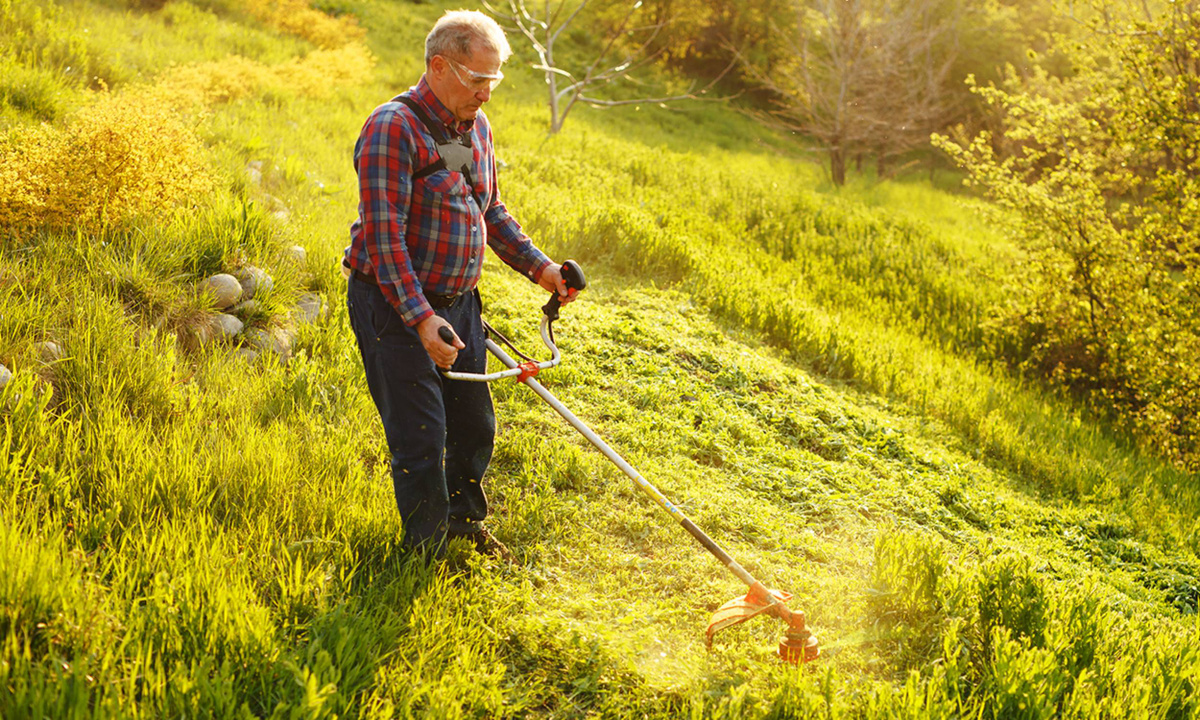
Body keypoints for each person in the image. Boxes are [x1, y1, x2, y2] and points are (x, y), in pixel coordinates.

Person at [344, 10, 573, 559]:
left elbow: (486, 206)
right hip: (395, 309)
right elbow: (384, 240)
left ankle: (464, 527)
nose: (486, 95)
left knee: (473, 426)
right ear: (439, 66)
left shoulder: (468, 126)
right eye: (477, 81)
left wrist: (542, 268)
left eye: (493, 81)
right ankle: (423, 555)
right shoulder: (392, 129)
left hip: (460, 304)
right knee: (421, 438)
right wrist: (422, 320)